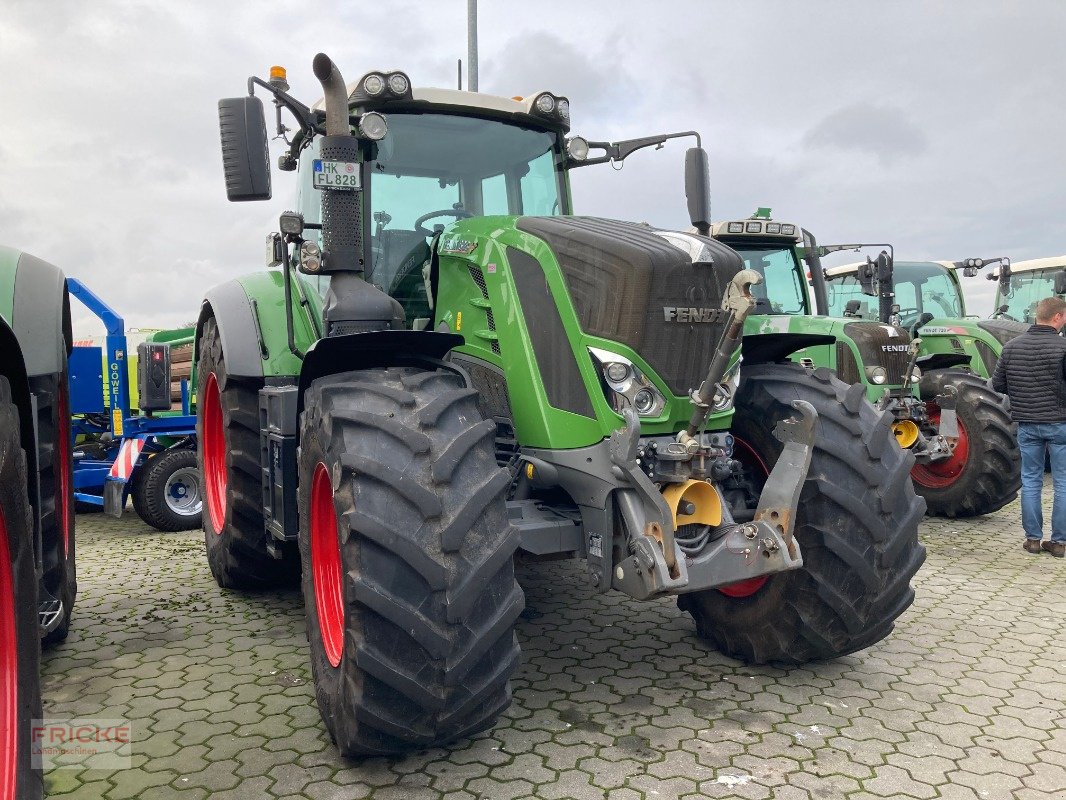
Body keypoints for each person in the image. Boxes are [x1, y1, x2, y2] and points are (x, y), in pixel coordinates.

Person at [991, 296, 1066, 557]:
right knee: (1063, 483)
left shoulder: (1011, 347)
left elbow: (998, 385)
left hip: (1027, 424)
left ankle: (1033, 540)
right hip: (1060, 425)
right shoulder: (1063, 348)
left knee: (1031, 481)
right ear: (1057, 317)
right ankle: (1058, 543)